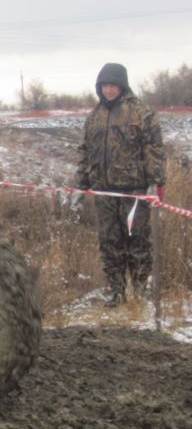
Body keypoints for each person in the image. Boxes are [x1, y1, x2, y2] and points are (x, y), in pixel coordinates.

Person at [77, 62, 165, 306]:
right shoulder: (94, 117)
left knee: (138, 242)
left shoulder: (141, 113)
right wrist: (81, 182)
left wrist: (155, 181)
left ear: (122, 86)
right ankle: (116, 291)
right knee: (109, 242)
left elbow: (154, 149)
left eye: (113, 85)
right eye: (104, 85)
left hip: (133, 191)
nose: (108, 90)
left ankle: (140, 291)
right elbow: (84, 150)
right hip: (103, 191)